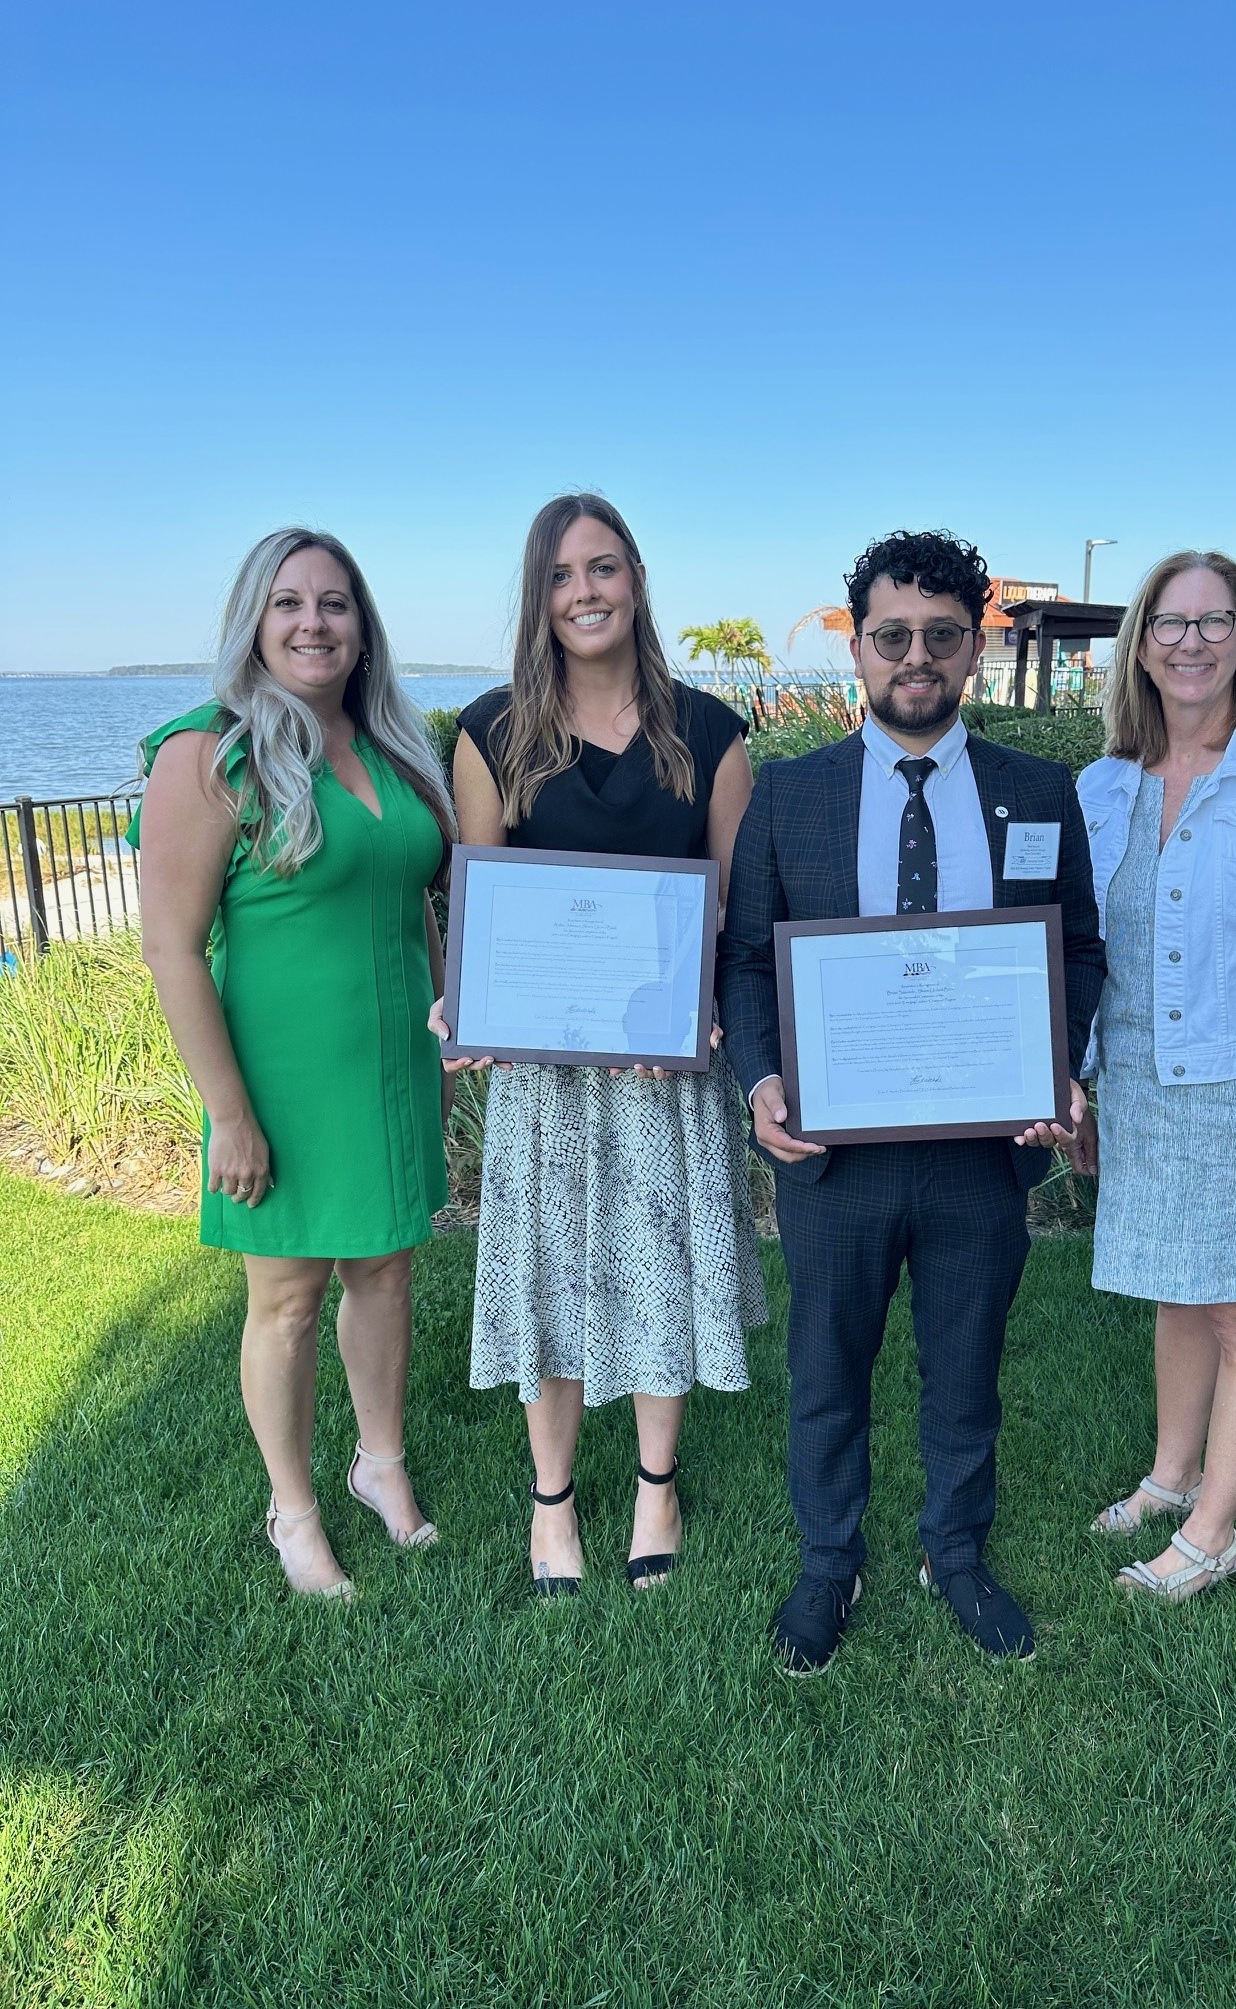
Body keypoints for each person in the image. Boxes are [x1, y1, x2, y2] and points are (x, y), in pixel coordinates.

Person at [718, 529, 1106, 1674]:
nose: (918, 658)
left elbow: (1078, 947)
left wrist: (1059, 1065)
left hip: (985, 1151)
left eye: (944, 636)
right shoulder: (791, 797)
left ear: (976, 646)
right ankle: (828, 1564)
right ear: (860, 648)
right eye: (894, 637)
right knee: (827, 1368)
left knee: (966, 1364)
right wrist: (763, 1078)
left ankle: (958, 1550)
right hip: (834, 1152)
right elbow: (747, 962)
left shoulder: (1041, 792)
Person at [433, 493, 766, 1596]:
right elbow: (484, 903)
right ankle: (553, 1501)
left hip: (664, 1068)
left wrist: (706, 1005)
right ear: (540, 596)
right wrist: (464, 1001)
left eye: (605, 569)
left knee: (662, 1272)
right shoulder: (490, 733)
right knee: (549, 1274)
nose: (586, 592)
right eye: (563, 575)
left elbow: (732, 911)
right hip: (546, 1075)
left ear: (636, 582)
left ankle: (657, 1486)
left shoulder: (711, 732)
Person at [131, 528, 456, 1601]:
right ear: (254, 625)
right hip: (280, 1079)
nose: (313, 623)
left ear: (363, 629)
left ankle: (380, 1465)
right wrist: (228, 1114)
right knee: (284, 1297)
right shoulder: (209, 754)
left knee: (387, 1268)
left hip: (394, 1061)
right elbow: (171, 948)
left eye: (335, 604)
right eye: (288, 604)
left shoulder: (394, 747)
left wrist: (458, 995)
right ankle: (295, 1508)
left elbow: (418, 892)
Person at [1034, 550, 1236, 1600]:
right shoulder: (1101, 785)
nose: (1190, 643)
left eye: (1214, 623)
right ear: (1141, 645)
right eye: (1169, 624)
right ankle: (1173, 1477)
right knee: (1175, 1291)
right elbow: (1088, 947)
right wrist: (1080, 1082)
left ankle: (1214, 1533)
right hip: (1137, 1081)